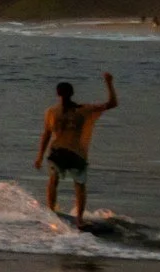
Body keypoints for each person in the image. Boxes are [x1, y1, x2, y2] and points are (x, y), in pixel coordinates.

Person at [35, 72, 119, 227]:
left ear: (57, 93)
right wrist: (109, 82)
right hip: (70, 154)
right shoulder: (81, 110)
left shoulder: (56, 111)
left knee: (55, 181)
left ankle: (53, 213)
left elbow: (46, 135)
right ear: (72, 93)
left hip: (63, 153)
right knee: (76, 184)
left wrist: (40, 156)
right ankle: (76, 218)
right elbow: (112, 103)